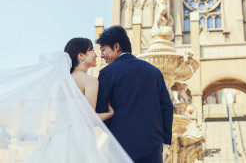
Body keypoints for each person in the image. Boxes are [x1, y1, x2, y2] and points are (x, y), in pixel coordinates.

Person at [0, 38, 132, 163]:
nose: (96, 54)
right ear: (81, 56)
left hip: (57, 138)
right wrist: (110, 114)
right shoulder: (90, 81)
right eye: (91, 50)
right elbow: (89, 117)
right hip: (79, 137)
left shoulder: (62, 83)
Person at [96, 25, 174, 163]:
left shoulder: (107, 73)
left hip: (121, 148)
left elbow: (100, 110)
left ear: (116, 46)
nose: (102, 56)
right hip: (153, 149)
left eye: (103, 50)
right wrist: (164, 141)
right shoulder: (154, 71)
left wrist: (115, 131)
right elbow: (167, 106)